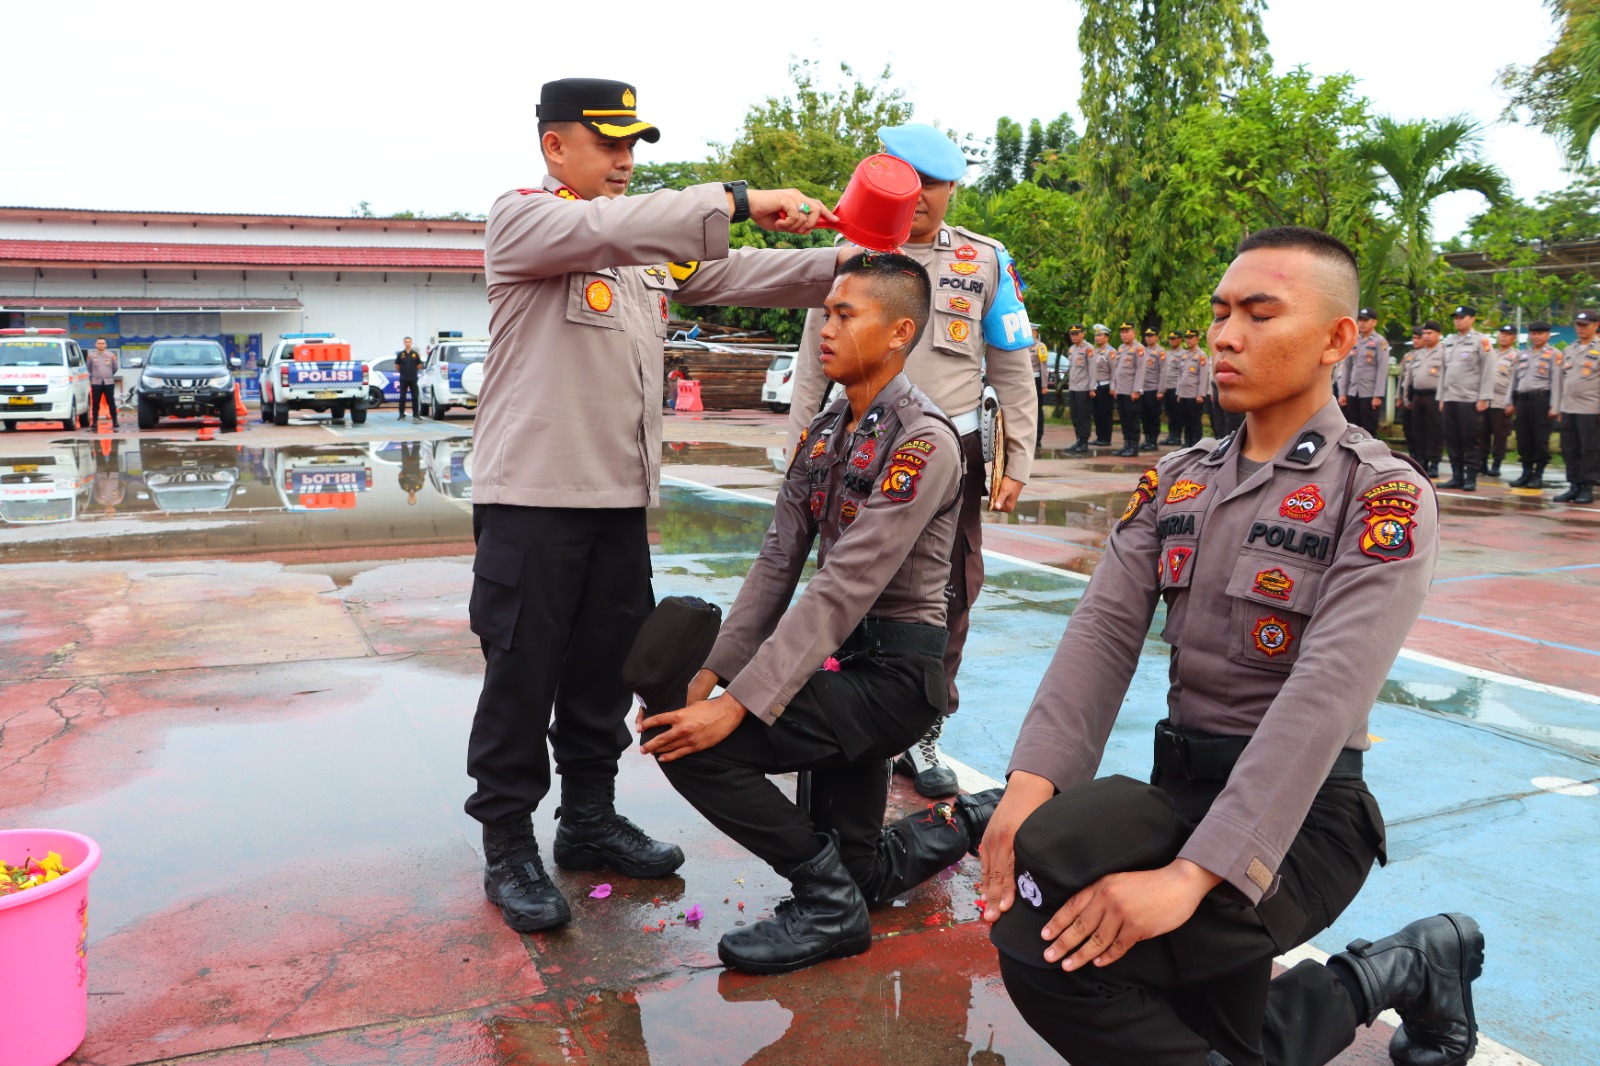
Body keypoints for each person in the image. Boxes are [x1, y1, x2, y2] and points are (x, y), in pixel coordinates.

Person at [979, 226, 1482, 1066]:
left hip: (1300, 823)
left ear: (1337, 339)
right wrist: (1027, 788)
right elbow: (1101, 630)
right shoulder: (1181, 479)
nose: (1225, 336)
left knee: (1061, 958)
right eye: (1219, 313)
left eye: (1259, 313)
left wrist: (1193, 875)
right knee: (1221, 1034)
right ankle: (1404, 967)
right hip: (1177, 794)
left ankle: (1396, 966)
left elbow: (1325, 693)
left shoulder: (1380, 493)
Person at [468, 76, 847, 934]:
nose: (624, 162)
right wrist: (745, 198)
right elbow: (617, 228)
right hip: (532, 500)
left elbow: (736, 273)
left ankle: (588, 822)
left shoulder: (641, 249)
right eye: (608, 144)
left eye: (633, 146)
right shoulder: (526, 221)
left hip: (615, 504)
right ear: (554, 147)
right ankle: (507, 844)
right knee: (521, 678)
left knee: (608, 673)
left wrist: (851, 262)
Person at [647, 252, 1001, 974]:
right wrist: (712, 673)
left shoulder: (923, 441)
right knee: (863, 873)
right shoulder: (827, 428)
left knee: (702, 749)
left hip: (893, 681)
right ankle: (976, 816)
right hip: (839, 668)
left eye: (845, 315)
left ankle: (824, 905)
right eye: (824, 314)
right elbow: (778, 563)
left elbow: (843, 583)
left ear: (900, 331)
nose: (824, 330)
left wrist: (739, 705)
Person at [784, 122, 1038, 799]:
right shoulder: (850, 258)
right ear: (884, 180)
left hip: (952, 456)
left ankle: (924, 736)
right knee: (843, 586)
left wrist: (1020, 458)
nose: (922, 197)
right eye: (910, 180)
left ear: (953, 189)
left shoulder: (984, 262)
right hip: (856, 449)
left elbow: (1012, 367)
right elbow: (814, 364)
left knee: (948, 595)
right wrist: (798, 452)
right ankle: (835, 720)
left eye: (936, 184)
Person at [1436, 305, 1493, 491]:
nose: (1457, 320)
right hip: (1450, 398)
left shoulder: (1481, 341)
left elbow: (1488, 370)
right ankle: (1457, 476)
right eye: (1456, 317)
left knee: (1471, 440)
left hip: (1470, 399)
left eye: (1462, 317)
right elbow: (1444, 371)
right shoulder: (1450, 341)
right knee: (1452, 440)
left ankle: (1471, 478)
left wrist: (1484, 397)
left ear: (1472, 319)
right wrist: (1442, 396)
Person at [1551, 309, 1600, 504]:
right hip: (1569, 407)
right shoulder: (1570, 349)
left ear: (1596, 325)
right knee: (1569, 447)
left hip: (1591, 407)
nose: (1580, 329)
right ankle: (1573, 485)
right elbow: (1560, 381)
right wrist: (1558, 407)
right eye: (1578, 325)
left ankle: (1587, 486)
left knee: (1589, 448)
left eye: (1585, 325)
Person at [1509, 321, 1559, 488]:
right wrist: (1510, 402)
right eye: (1533, 333)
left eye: (1540, 333)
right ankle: (1526, 472)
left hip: (1542, 400)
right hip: (1523, 401)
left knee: (1540, 439)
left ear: (1547, 335)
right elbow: (1514, 380)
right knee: (1523, 438)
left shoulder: (1554, 354)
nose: (1536, 336)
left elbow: (1557, 382)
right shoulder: (1523, 354)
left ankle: (1538, 474)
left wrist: (1555, 406)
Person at [1337, 308, 1388, 435]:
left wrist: (1378, 395)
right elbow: (1347, 368)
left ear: (1374, 322)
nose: (1362, 323)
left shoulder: (1380, 342)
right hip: (1353, 391)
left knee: (1369, 430)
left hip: (1369, 393)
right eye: (1360, 319)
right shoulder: (1354, 340)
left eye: (1366, 320)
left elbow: (1382, 369)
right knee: (1352, 429)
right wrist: (1343, 392)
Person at [1408, 322, 1445, 477]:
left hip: (1434, 396)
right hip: (1418, 396)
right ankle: (1421, 462)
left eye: (1430, 333)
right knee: (1418, 430)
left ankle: (1434, 462)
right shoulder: (1418, 353)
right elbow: (1410, 377)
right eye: (1425, 333)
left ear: (1438, 334)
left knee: (1434, 431)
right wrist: (1407, 397)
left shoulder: (1444, 352)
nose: (1426, 336)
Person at [1486, 324, 1519, 478]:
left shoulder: (1516, 356)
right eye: (1502, 333)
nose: (1504, 336)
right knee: (1482, 432)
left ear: (1514, 338)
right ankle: (1481, 462)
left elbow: (1515, 380)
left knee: (1500, 435)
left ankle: (1496, 463)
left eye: (1508, 334)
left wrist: (1511, 402)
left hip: (1502, 400)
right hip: (1486, 399)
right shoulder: (1491, 353)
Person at [1110, 323, 1145, 456]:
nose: (1124, 334)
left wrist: (1137, 390)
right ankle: (1126, 444)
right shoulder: (1121, 348)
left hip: (1131, 391)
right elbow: (1116, 370)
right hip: (1120, 390)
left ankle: (1133, 446)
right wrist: (1114, 387)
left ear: (1134, 333)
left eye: (1127, 331)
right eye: (1122, 332)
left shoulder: (1139, 348)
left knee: (1132, 419)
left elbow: (1140, 370)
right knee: (1124, 419)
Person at [1063, 325, 1095, 453]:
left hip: (1084, 388)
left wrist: (1092, 388)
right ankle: (1078, 440)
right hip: (1074, 387)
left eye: (1077, 333)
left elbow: (1092, 369)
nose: (1074, 336)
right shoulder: (1072, 349)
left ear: (1083, 334)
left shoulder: (1089, 349)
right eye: (1072, 334)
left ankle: (1084, 442)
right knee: (1075, 415)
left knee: (1083, 416)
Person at [1175, 329, 1206, 446]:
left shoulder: (1201, 355)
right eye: (1187, 338)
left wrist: (1201, 394)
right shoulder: (1185, 355)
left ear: (1197, 339)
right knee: (1185, 421)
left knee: (1194, 421)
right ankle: (1187, 443)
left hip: (1194, 394)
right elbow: (1180, 375)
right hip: (1183, 394)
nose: (1188, 340)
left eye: (1191, 337)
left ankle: (1196, 444)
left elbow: (1203, 377)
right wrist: (1178, 393)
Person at [1396, 327, 1423, 459]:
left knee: (1420, 428)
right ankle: (1412, 452)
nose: (1415, 341)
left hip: (1418, 394)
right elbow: (1402, 377)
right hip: (1406, 393)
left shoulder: (1426, 355)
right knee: (1407, 427)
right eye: (1414, 338)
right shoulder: (1408, 355)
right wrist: (1398, 396)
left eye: (1418, 338)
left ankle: (1421, 454)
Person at [1139, 327, 1165, 451]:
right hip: (1142, 389)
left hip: (1153, 388)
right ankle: (1147, 438)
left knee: (1153, 415)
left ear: (1156, 337)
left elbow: (1163, 371)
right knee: (1144, 415)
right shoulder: (1142, 351)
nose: (1149, 338)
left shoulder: (1160, 352)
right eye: (1147, 335)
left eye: (1151, 335)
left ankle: (1153, 441)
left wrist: (1161, 390)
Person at [1091, 325, 1116, 445]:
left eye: (1100, 335)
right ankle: (1099, 437)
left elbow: (1115, 371)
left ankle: (1106, 438)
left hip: (1106, 386)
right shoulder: (1094, 351)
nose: (1097, 338)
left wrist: (1113, 387)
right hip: (1095, 386)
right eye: (1096, 335)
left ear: (1106, 337)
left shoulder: (1110, 352)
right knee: (1097, 413)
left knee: (1105, 413)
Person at [87, 338, 119, 431]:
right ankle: (94, 422)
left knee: (111, 402)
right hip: (96, 382)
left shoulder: (110, 355)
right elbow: (89, 368)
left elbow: (115, 368)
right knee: (95, 403)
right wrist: (95, 375)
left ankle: (115, 421)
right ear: (96, 345)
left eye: (103, 343)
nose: (101, 345)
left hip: (108, 382)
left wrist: (108, 374)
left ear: (106, 345)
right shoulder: (91, 356)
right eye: (99, 343)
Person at [1161, 330, 1185, 444]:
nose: (1172, 341)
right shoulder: (1166, 353)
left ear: (1180, 340)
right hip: (1166, 387)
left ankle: (1177, 437)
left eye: (1174, 339)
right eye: (1170, 339)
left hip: (1176, 387)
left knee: (1178, 413)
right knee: (1169, 413)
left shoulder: (1183, 354)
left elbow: (1183, 372)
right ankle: (1171, 436)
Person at [394, 338, 422, 419]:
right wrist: (403, 372)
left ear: (411, 343)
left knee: (415, 397)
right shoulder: (401, 354)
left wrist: (413, 371)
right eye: (406, 342)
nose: (407, 343)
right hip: (404, 379)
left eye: (409, 342)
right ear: (404, 343)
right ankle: (401, 414)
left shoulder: (415, 354)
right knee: (402, 397)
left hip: (413, 379)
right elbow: (397, 365)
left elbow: (419, 365)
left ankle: (416, 414)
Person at [398, 440, 425, 505]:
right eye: (413, 499)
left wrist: (406, 473)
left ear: (408, 498)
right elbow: (422, 475)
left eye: (410, 499)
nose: (411, 497)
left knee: (404, 445)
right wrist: (415, 473)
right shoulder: (419, 487)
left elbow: (400, 475)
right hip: (415, 462)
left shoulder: (404, 487)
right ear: (415, 498)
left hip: (406, 462)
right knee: (416, 445)